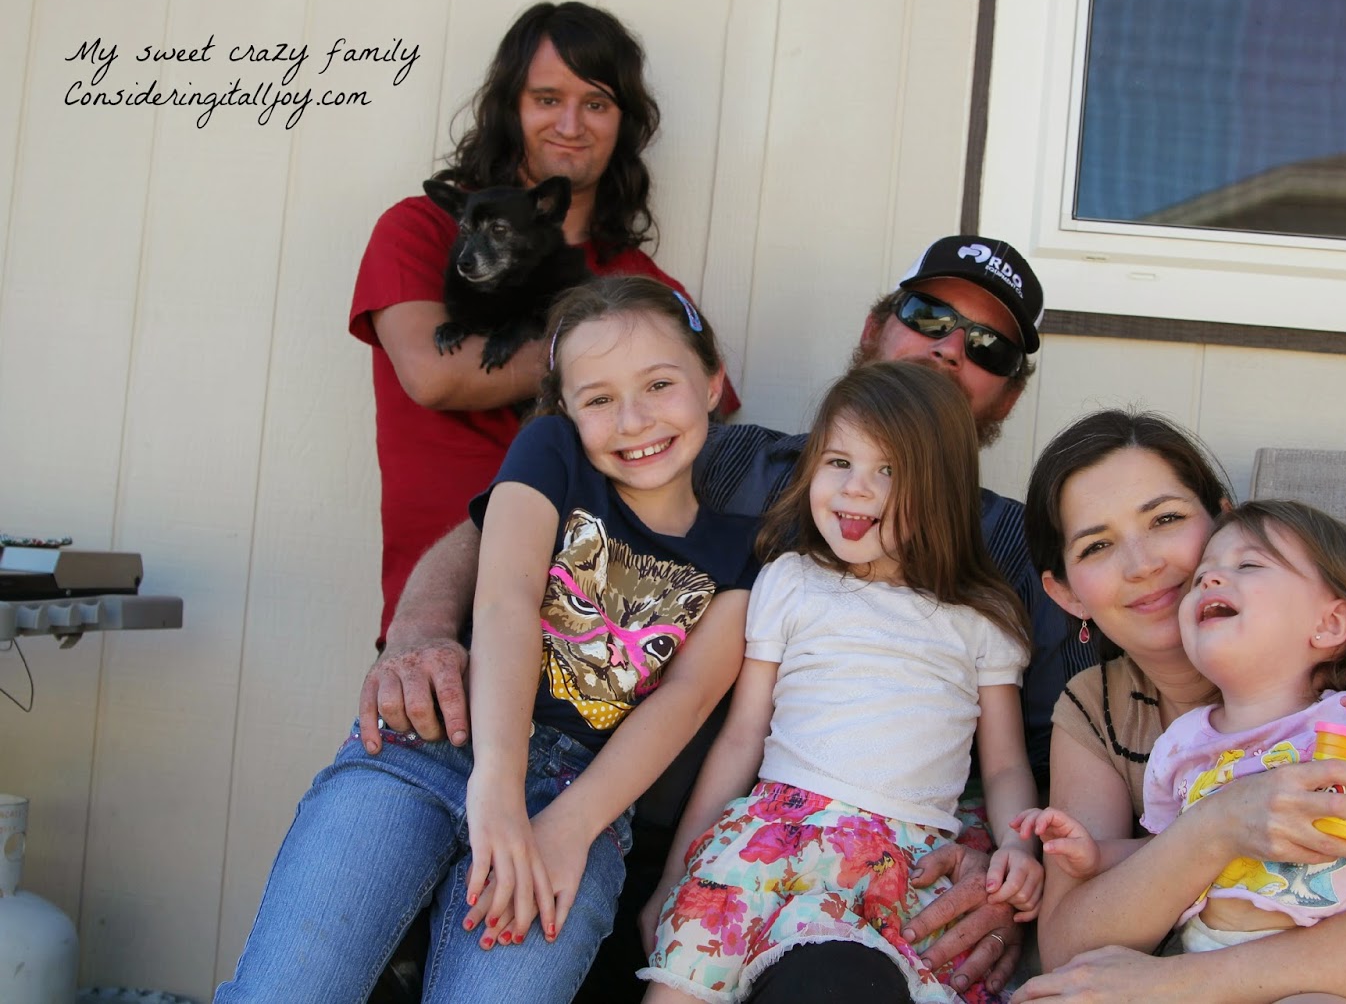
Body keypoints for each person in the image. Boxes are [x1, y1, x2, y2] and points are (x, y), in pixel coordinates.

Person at [366, 235, 1094, 1003]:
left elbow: (1043, 757)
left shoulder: (1012, 559)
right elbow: (513, 521)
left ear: (1009, 397)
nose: (949, 348)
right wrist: (420, 631)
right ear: (875, 326)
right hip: (641, 822)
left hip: (858, 876)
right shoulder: (728, 458)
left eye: (988, 347)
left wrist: (1003, 865)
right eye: (929, 316)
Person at [217, 277, 760, 1002]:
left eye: (660, 385)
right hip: (438, 745)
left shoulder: (740, 551)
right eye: (598, 398)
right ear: (565, 409)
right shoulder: (551, 453)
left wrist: (572, 827)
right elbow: (506, 599)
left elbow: (686, 699)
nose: (634, 420)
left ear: (713, 382)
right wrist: (497, 783)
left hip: (581, 799)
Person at [1008, 410, 1346, 1003]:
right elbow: (1071, 950)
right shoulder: (1093, 706)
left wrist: (1173, 985)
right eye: (1097, 545)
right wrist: (1218, 826)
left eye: (1166, 519)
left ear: (1222, 521)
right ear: (1066, 593)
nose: (1143, 564)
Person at [638, 362, 1043, 1004]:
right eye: (839, 462)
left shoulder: (981, 619)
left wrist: (1019, 847)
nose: (856, 487)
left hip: (906, 857)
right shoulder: (791, 581)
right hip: (771, 839)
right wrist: (674, 874)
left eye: (889, 470)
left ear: (940, 488)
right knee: (681, 986)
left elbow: (1003, 766)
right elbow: (743, 737)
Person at [348, 0, 737, 647]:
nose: (570, 124)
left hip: (611, 645)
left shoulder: (643, 282)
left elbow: (711, 437)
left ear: (624, 123)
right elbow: (436, 375)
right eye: (547, 98)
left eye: (597, 103)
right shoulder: (423, 228)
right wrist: (623, 367)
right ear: (511, 108)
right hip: (445, 626)